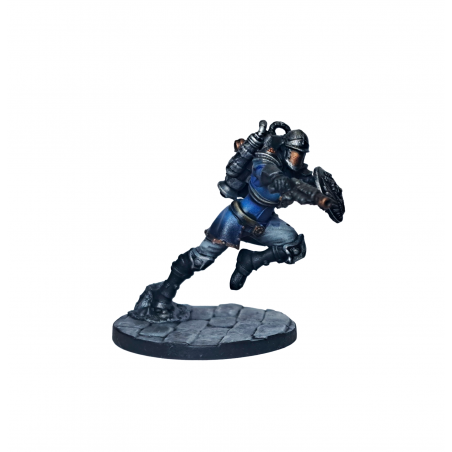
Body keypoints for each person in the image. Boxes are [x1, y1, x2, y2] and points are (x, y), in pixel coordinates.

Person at [149, 127, 318, 320]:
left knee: (293, 246)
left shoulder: (291, 172)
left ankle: (250, 261)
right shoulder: (264, 162)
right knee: (201, 258)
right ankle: (163, 294)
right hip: (234, 220)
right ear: (285, 150)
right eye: (294, 154)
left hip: (263, 225)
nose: (297, 159)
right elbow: (266, 171)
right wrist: (278, 178)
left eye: (300, 155)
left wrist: (322, 193)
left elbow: (307, 186)